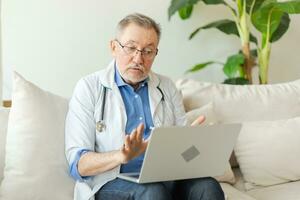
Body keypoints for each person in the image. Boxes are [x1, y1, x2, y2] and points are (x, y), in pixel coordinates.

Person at [65, 13, 225, 200]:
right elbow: (78, 165)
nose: (138, 59)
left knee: (208, 186)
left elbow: (183, 156)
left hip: (165, 178)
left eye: (148, 51)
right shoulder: (89, 87)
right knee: (152, 191)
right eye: (131, 48)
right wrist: (121, 156)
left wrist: (198, 146)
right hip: (111, 182)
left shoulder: (166, 87)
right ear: (114, 47)